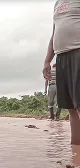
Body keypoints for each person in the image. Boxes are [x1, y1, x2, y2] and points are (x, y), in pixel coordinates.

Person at [42, 0, 80, 145]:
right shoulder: (57, 4)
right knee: (71, 108)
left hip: (78, 51)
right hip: (61, 57)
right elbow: (54, 35)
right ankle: (76, 155)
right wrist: (47, 61)